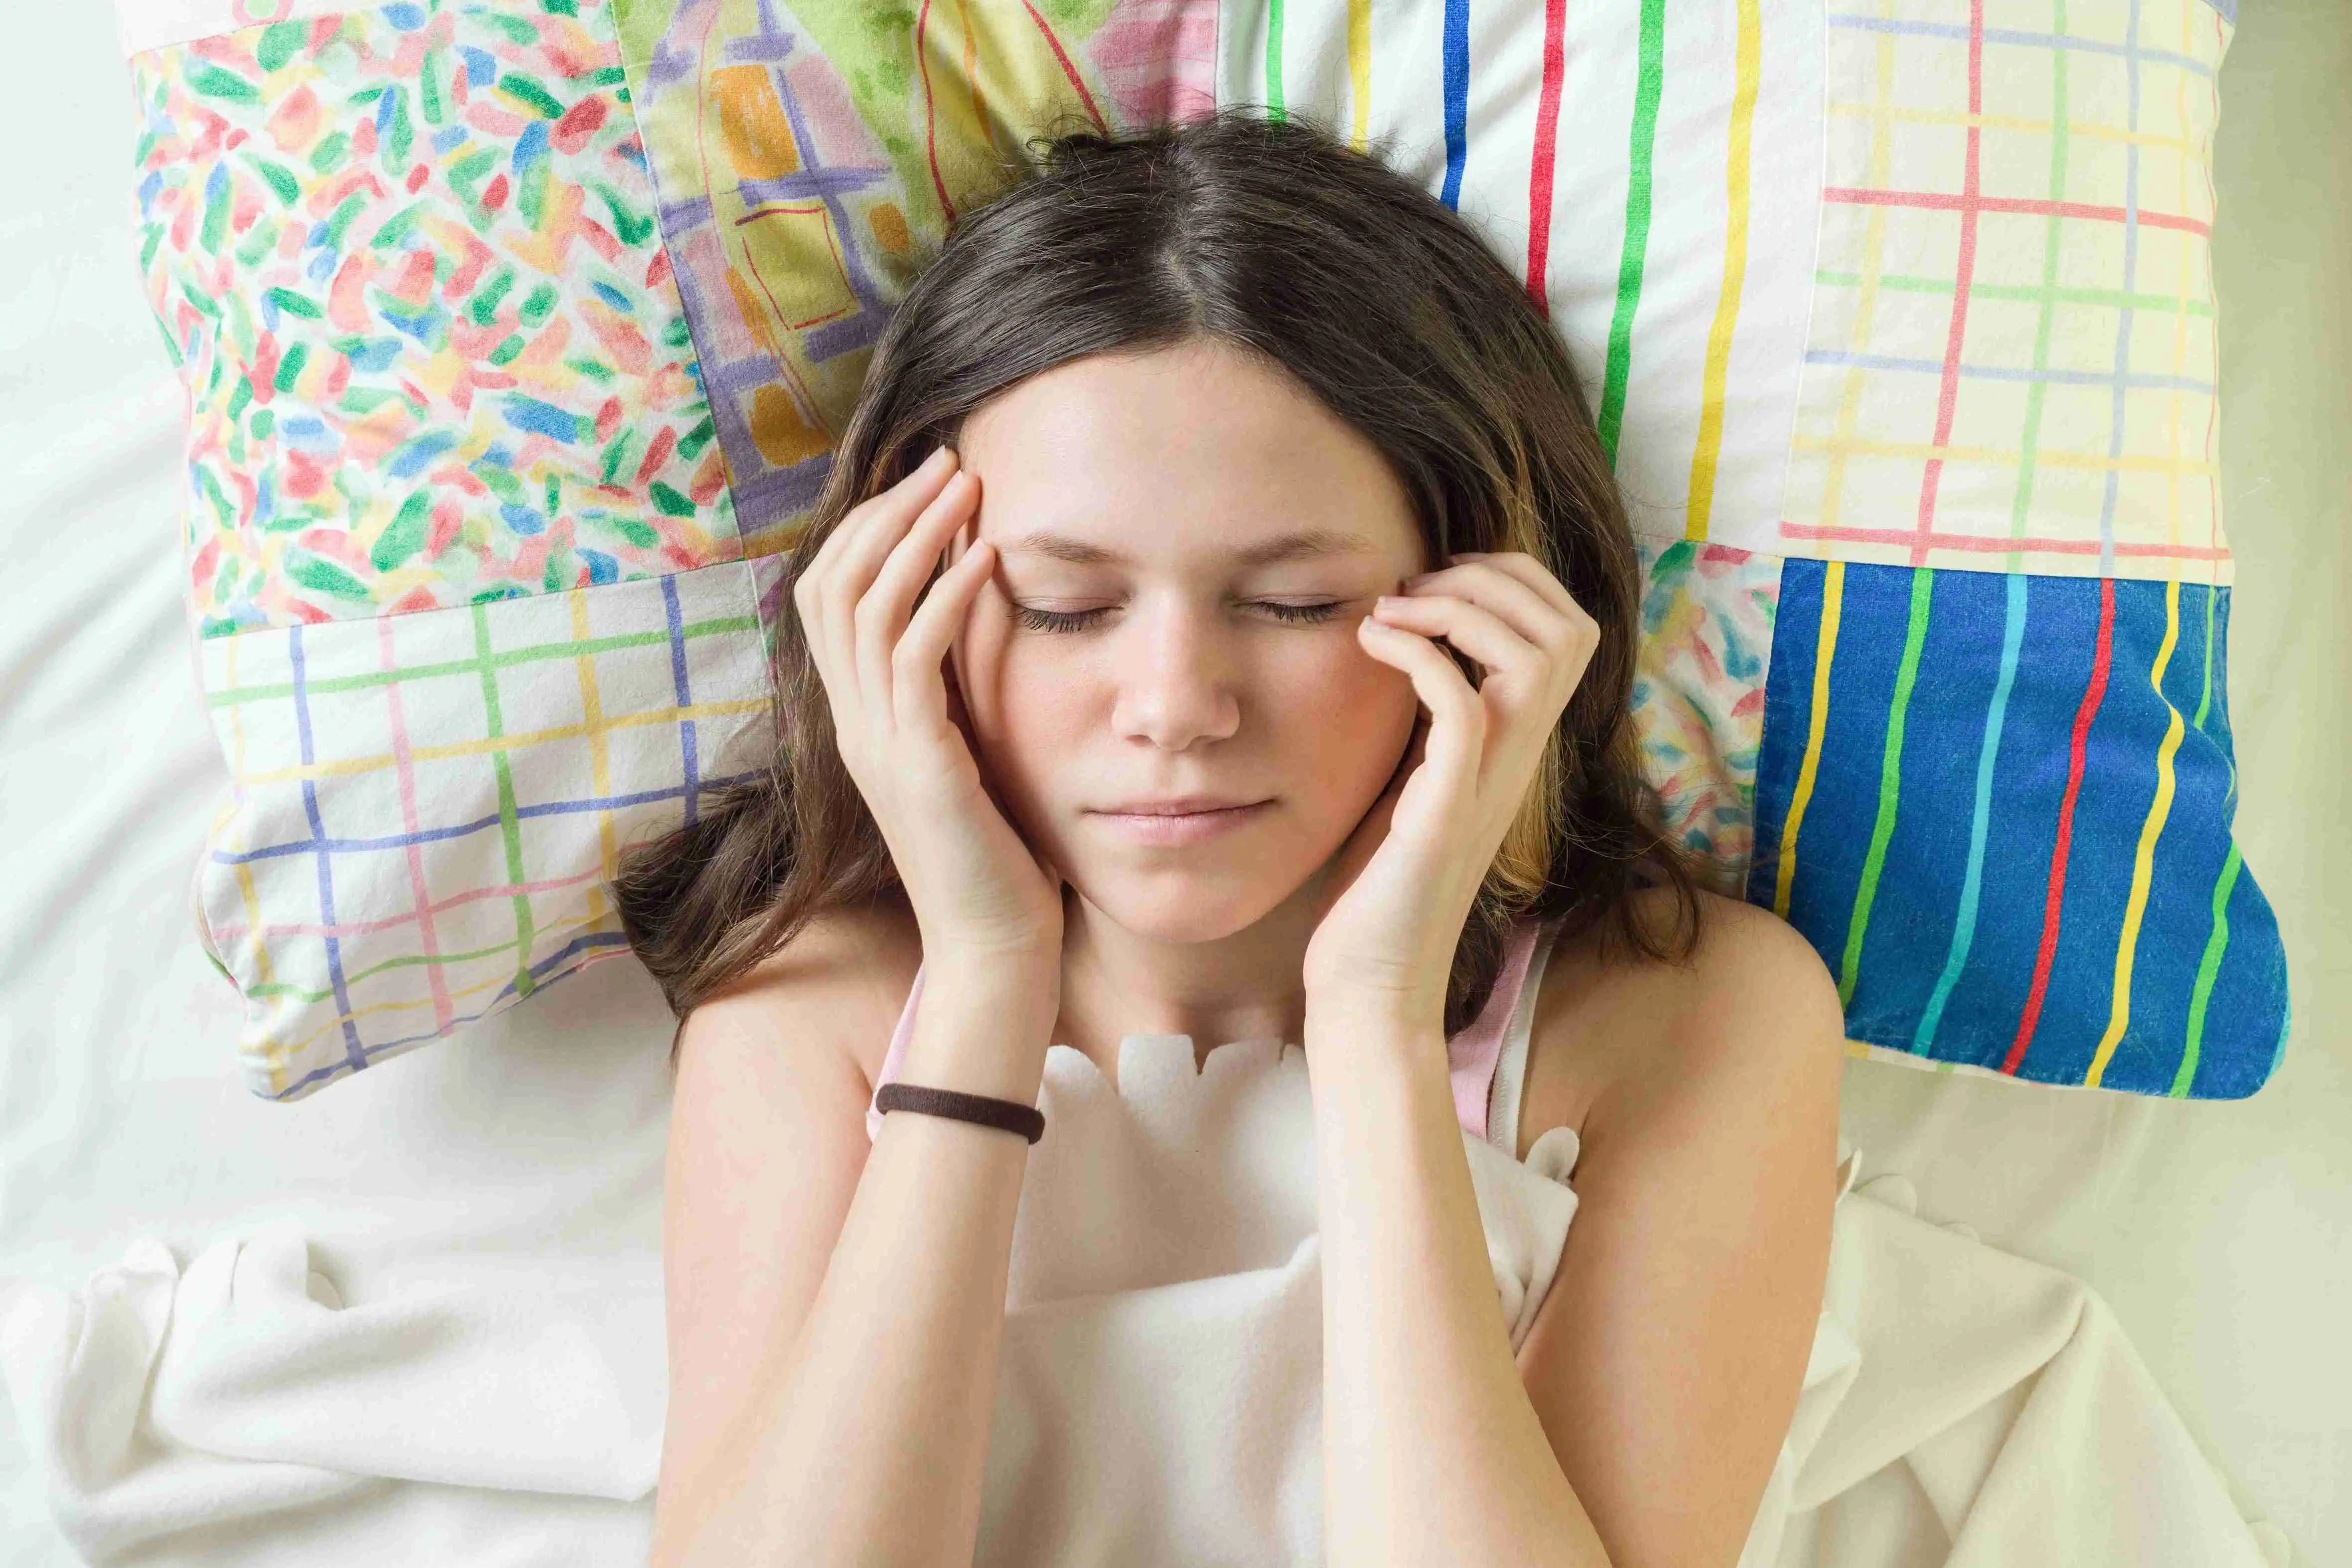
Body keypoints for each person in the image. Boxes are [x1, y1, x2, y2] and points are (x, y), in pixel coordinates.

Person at [613, 105, 1845, 1568]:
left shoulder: (1685, 1017)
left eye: (1293, 603)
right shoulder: (813, 1012)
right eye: (1065, 604)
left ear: (1482, 597)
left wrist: (1376, 1018)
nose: (1174, 708)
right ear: (898, 614)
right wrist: (985, 977)